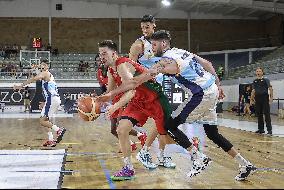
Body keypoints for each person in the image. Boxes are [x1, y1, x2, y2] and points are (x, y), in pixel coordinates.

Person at [98, 30, 257, 181]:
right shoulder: (182, 51)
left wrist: (111, 95)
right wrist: (218, 83)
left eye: (154, 45)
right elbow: (207, 63)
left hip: (201, 94)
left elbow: (135, 82)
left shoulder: (166, 61)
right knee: (212, 133)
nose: (152, 49)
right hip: (211, 89)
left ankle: (198, 158)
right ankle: (245, 164)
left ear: (164, 44)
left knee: (169, 125)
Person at [97, 40, 173, 181]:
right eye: (100, 54)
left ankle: (185, 146)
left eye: (104, 53)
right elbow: (110, 92)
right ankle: (128, 168)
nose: (101, 56)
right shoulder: (110, 69)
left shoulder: (122, 64)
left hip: (154, 99)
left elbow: (131, 90)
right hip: (138, 102)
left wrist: (115, 106)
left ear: (113, 54)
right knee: (121, 130)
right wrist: (94, 101)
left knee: (164, 133)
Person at [128, 14, 175, 169]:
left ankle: (161, 155)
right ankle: (145, 151)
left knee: (163, 122)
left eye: (147, 27)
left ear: (154, 26)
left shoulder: (160, 43)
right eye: (142, 27)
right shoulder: (138, 45)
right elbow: (129, 67)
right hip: (146, 87)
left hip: (160, 84)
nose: (144, 30)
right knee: (161, 120)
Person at [14, 60, 66, 147]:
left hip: (52, 99)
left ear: (47, 67)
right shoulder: (48, 76)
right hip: (53, 99)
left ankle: (58, 130)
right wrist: (45, 102)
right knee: (45, 120)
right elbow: (50, 90)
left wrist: (20, 86)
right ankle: (51, 139)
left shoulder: (45, 73)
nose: (42, 67)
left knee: (42, 121)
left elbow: (33, 79)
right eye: (41, 65)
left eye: (44, 65)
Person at [250, 67, 273, 135]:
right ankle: (261, 129)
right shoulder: (254, 81)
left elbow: (270, 89)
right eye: (257, 71)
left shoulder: (266, 80)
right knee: (259, 114)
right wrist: (251, 99)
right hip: (257, 98)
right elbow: (253, 91)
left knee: (267, 114)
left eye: (259, 71)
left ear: (262, 72)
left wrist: (271, 98)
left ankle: (269, 130)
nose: (258, 72)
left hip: (265, 98)